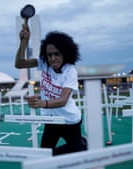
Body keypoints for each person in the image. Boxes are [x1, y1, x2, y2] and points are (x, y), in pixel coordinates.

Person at [15, 24, 87, 156]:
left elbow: (63, 100)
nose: (53, 58)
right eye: (49, 54)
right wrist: (23, 41)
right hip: (51, 119)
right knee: (45, 154)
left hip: (69, 120)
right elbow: (19, 64)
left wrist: (42, 103)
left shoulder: (70, 71)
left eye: (57, 54)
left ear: (65, 53)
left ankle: (81, 144)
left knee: (78, 154)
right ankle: (77, 145)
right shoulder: (44, 63)